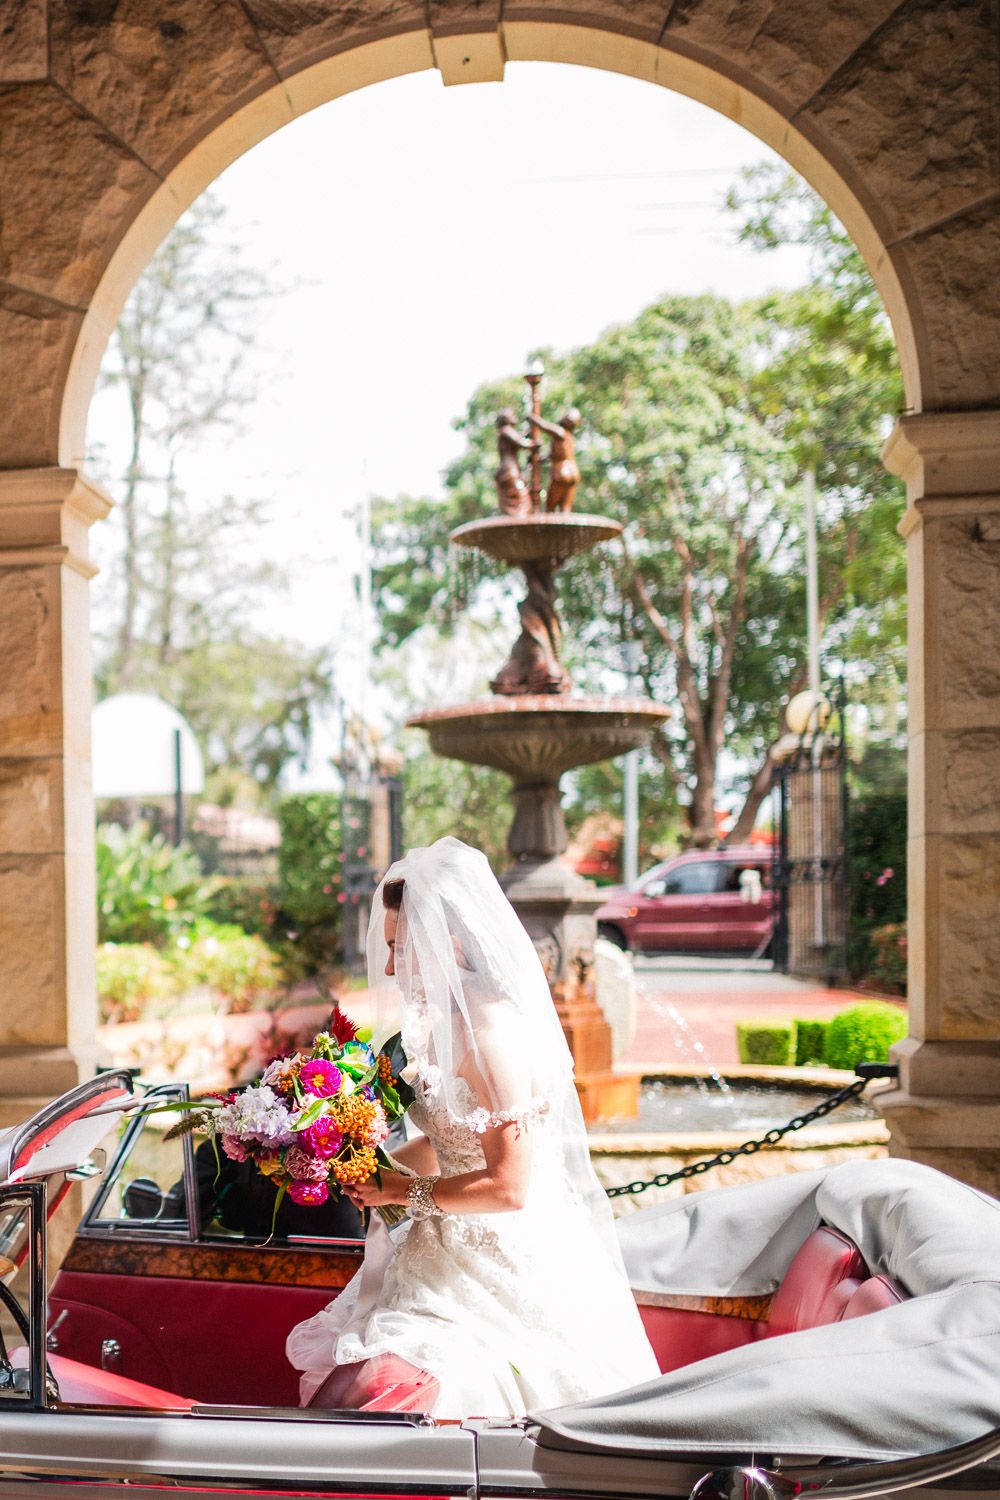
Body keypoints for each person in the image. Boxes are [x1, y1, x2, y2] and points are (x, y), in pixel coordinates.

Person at [285, 837, 658, 1417]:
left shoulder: (492, 1036)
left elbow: (510, 1188)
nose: (388, 967)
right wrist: (361, 1167)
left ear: (450, 943)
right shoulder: (445, 1026)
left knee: (362, 1400)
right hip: (443, 1247)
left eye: (400, 948)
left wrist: (398, 1191)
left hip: (500, 1264)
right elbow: (449, 1140)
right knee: (344, 1401)